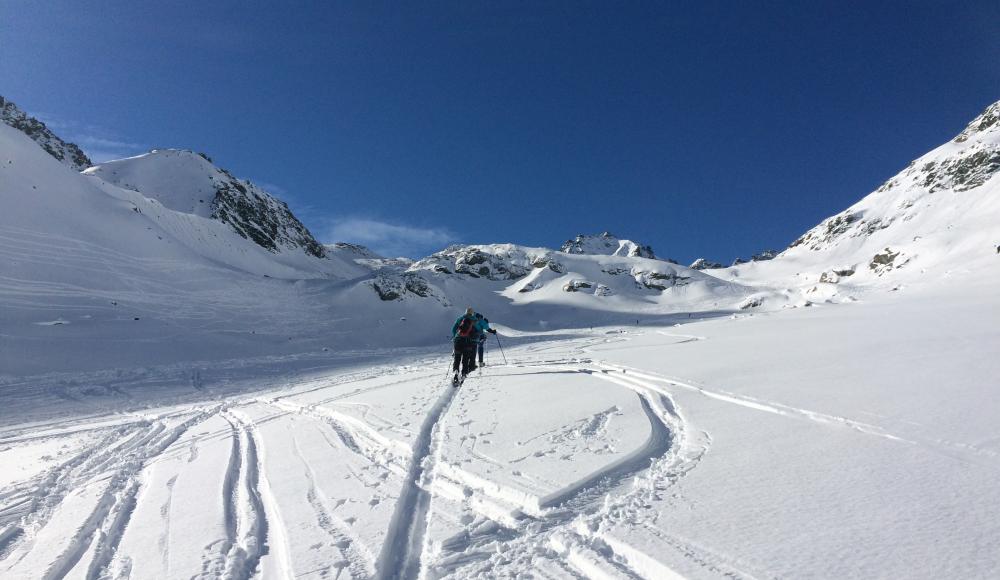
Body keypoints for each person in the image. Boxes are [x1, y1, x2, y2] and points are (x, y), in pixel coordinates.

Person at [451, 307, 481, 382]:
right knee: (465, 359)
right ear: (472, 313)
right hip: (468, 342)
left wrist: (455, 336)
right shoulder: (474, 320)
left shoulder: (460, 319)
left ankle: (456, 371)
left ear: (465, 312)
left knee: (457, 358)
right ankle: (464, 373)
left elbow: (453, 329)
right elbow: (479, 331)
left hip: (458, 341)